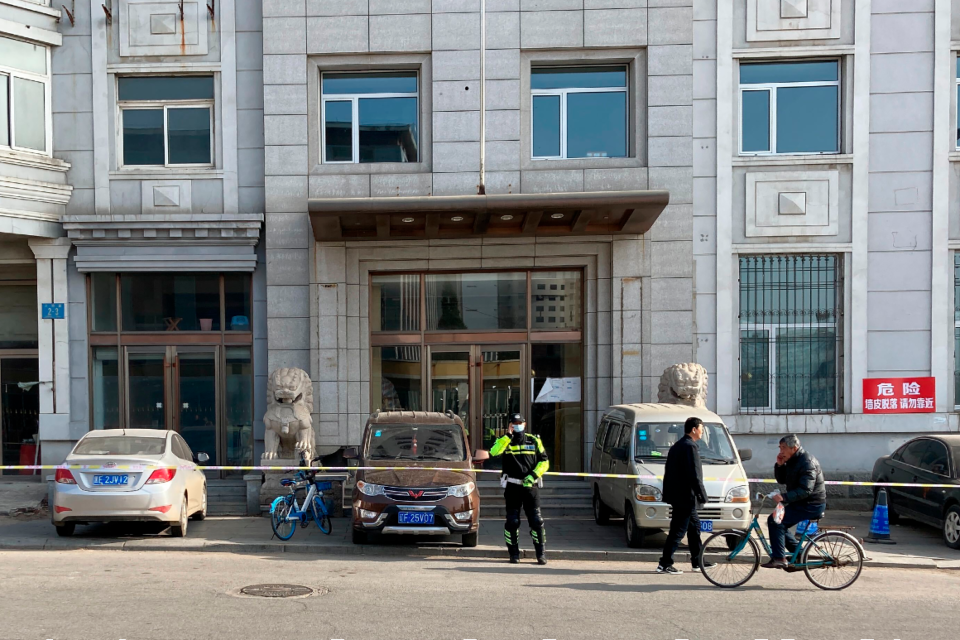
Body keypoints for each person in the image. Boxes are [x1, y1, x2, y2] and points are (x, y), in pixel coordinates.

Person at [488, 413, 550, 565]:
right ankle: (513, 554)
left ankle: (541, 554)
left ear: (524, 424)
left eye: (519, 423)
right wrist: (508, 435)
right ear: (510, 425)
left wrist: (533, 476)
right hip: (513, 487)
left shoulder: (534, 440)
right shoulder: (505, 441)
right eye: (514, 423)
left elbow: (544, 462)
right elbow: (494, 452)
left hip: (530, 487)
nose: (517, 425)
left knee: (536, 521)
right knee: (512, 521)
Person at [657, 417, 713, 575]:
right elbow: (694, 474)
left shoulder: (679, 445)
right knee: (677, 531)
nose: (703, 431)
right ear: (694, 429)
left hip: (681, 496)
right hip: (685, 498)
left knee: (694, 529)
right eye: (701, 428)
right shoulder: (689, 447)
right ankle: (665, 563)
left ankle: (698, 561)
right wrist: (702, 494)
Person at [762, 434, 827, 569]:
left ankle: (779, 558)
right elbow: (782, 480)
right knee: (774, 521)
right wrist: (780, 466)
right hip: (802, 502)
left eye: (784, 448)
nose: (781, 451)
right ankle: (800, 554)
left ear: (794, 448)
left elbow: (806, 490)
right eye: (780, 447)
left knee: (776, 522)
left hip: (812, 504)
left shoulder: (806, 462)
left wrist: (784, 497)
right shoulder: (792, 460)